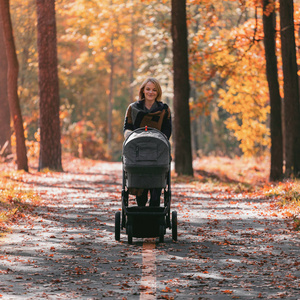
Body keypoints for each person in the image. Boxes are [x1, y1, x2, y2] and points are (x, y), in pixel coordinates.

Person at [123, 77, 172, 207]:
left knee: (156, 196)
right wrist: (129, 135)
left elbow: (167, 130)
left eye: (154, 90)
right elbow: (127, 127)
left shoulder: (164, 109)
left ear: (158, 92)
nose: (151, 92)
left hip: (157, 152)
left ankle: (155, 219)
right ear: (143, 91)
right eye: (148, 89)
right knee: (141, 196)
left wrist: (159, 139)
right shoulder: (133, 108)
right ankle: (141, 216)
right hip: (137, 152)